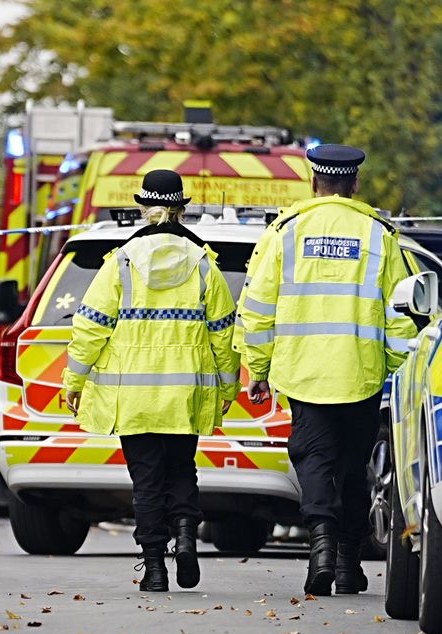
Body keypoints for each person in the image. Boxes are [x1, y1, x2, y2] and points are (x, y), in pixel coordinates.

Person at [239, 144, 417, 596]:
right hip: (360, 375)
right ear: (354, 184)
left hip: (304, 373)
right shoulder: (380, 234)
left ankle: (320, 546)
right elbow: (401, 312)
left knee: (314, 460)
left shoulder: (285, 232)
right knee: (353, 469)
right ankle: (346, 564)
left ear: (313, 181)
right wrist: (395, 368)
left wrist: (258, 367)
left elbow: (258, 309)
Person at [63, 170, 241, 592]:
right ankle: (185, 537)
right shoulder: (203, 264)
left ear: (143, 207)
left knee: (146, 482)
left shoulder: (120, 263)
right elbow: (224, 332)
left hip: (133, 397)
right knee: (181, 470)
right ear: (182, 208)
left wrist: (74, 381)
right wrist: (228, 387)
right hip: (185, 395)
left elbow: (91, 327)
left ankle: (155, 567)